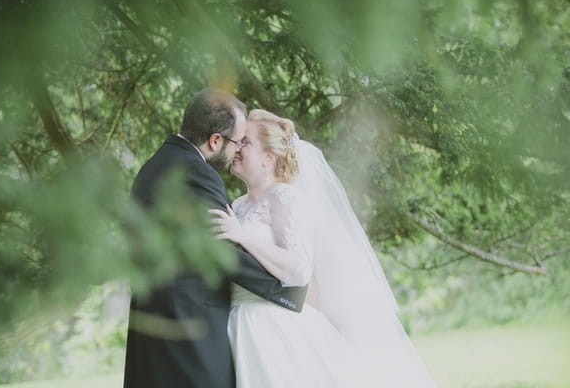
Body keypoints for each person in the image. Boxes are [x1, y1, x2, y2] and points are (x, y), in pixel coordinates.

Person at [210, 109, 438, 387]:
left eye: (246, 142)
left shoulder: (284, 198)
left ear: (269, 158)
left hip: (274, 325)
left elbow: (298, 271)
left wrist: (242, 236)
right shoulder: (238, 205)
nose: (236, 147)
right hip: (239, 321)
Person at [123, 89, 308, 388]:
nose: (238, 150)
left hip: (164, 319)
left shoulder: (155, 165)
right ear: (215, 140)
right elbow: (221, 250)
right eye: (238, 141)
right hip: (187, 326)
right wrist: (287, 292)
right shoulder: (196, 172)